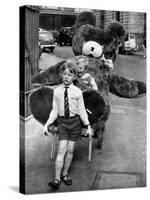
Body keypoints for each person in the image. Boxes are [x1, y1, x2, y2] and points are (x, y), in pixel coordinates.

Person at [43, 60, 93, 190]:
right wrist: (47, 123)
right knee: (61, 151)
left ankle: (65, 174)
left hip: (75, 123)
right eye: (64, 74)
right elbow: (54, 110)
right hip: (63, 123)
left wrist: (87, 125)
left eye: (70, 75)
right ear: (61, 74)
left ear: (74, 76)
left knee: (70, 151)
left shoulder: (77, 92)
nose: (66, 77)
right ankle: (56, 179)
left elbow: (82, 110)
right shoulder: (57, 91)